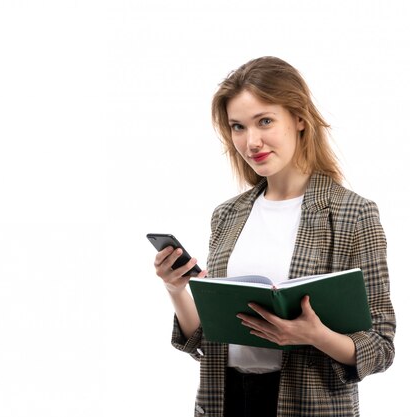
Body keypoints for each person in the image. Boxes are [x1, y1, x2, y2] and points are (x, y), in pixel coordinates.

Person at [153, 56, 396, 417]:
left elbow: (380, 347)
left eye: (265, 121)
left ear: (299, 119)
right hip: (224, 400)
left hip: (307, 405)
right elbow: (207, 340)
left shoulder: (351, 213)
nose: (251, 141)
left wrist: (315, 335)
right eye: (238, 127)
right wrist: (176, 289)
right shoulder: (227, 215)